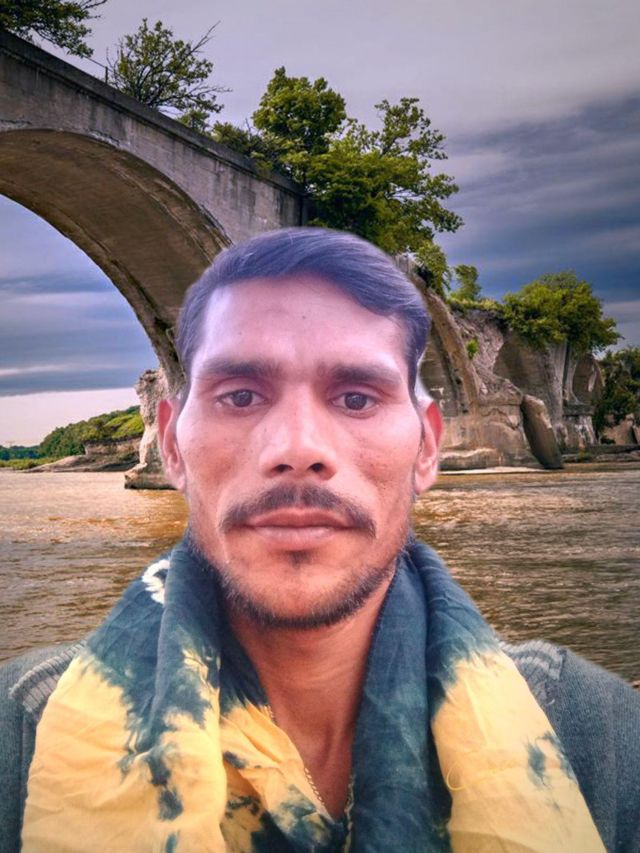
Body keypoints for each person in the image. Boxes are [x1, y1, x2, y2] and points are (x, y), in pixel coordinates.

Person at [1, 228, 638, 853]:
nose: (298, 448)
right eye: (241, 396)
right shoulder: (20, 726)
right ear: (170, 445)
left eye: (357, 398)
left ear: (427, 447)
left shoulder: (597, 729)